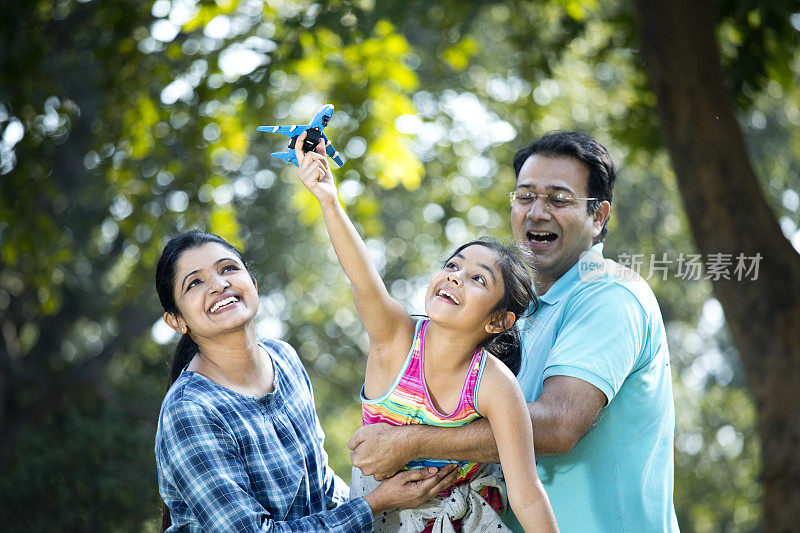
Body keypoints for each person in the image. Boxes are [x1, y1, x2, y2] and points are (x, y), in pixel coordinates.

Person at [346, 131, 680, 532]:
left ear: (598, 216)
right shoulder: (505, 312)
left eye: (558, 199)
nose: (537, 212)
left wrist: (412, 441)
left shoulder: (609, 295)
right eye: (525, 196)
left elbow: (558, 424)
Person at [294, 132, 559, 533]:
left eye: (477, 279)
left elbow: (528, 494)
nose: (454, 278)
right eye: (452, 266)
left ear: (498, 321)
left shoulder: (495, 386)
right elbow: (363, 279)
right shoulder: (396, 339)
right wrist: (328, 199)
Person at [153, 230, 461, 532]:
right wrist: (373, 504)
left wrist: (396, 494)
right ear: (176, 321)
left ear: (253, 283)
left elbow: (320, 486)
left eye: (228, 269)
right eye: (195, 282)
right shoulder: (189, 410)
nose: (219, 284)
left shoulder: (284, 359)